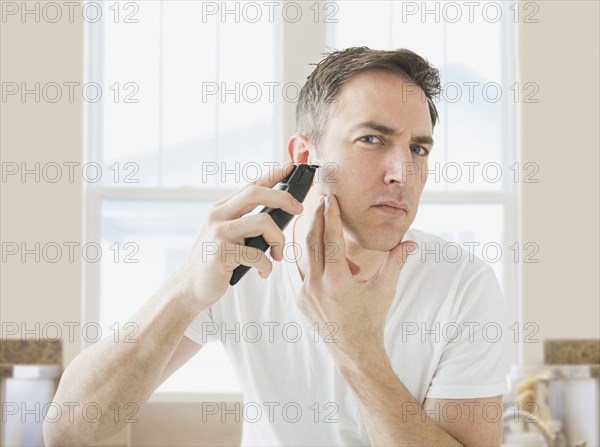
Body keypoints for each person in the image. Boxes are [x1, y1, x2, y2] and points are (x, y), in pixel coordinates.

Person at [44, 47, 508, 446]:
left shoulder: (462, 284)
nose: (402, 173)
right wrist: (185, 291)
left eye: (419, 150)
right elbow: (68, 431)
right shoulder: (243, 264)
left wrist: (356, 345)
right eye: (372, 139)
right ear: (305, 159)